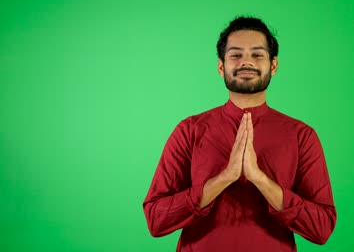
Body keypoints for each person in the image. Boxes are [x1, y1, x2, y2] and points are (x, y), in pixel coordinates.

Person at [143, 16, 337, 252]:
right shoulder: (189, 130)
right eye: (236, 55)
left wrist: (260, 179)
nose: (247, 62)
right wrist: (225, 177)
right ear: (221, 66)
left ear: (273, 66)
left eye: (257, 55)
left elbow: (322, 228)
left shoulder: (301, 136)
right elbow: (156, 219)